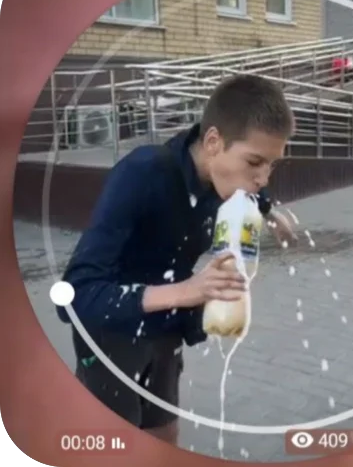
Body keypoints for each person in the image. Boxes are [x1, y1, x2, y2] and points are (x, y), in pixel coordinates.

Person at [55, 74, 297, 445]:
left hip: (165, 329)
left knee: (164, 434)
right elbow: (73, 296)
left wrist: (270, 212)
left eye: (272, 165)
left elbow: (255, 190)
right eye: (255, 162)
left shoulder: (224, 180)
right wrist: (187, 291)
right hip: (111, 334)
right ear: (213, 142)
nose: (262, 178)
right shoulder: (143, 173)